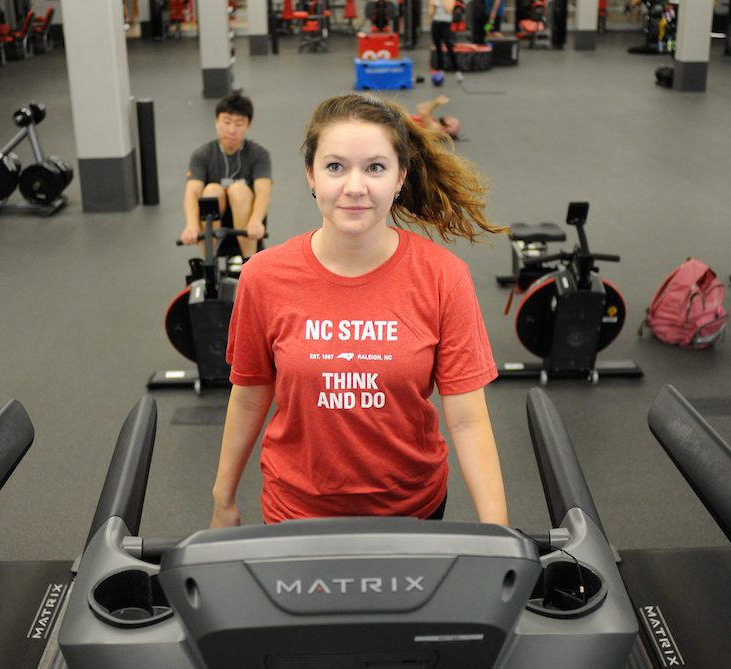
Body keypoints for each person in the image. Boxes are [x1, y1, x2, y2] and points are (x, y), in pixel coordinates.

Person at [210, 94, 509, 528]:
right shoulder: (263, 276)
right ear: (310, 175)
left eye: (375, 167)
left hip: (412, 508)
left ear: (400, 176)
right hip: (296, 511)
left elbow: (467, 421)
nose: (354, 187)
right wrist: (223, 499)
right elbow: (250, 394)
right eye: (335, 167)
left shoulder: (445, 277)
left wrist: (497, 530)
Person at [181, 91, 271, 258]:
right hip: (212, 220)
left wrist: (256, 220)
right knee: (211, 191)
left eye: (239, 123)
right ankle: (210, 261)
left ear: (248, 125)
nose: (231, 130)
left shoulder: (259, 154)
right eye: (226, 122)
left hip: (246, 221)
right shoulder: (202, 154)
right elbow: (192, 192)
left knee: (239, 190)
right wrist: (191, 225)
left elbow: (263, 192)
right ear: (216, 121)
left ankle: (249, 265)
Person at [429, 0, 460, 79]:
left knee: (449, 47)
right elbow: (430, 14)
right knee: (438, 48)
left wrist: (441, 2)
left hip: (446, 24)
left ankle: (457, 70)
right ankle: (441, 69)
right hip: (436, 23)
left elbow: (449, 9)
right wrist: (433, 7)